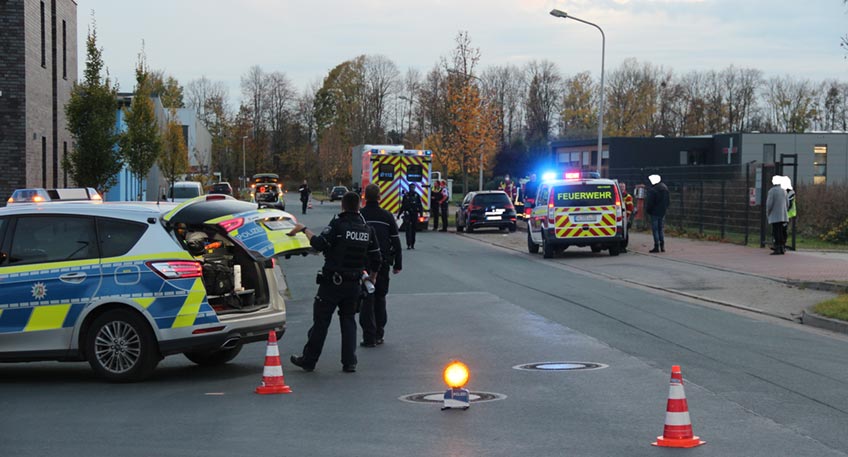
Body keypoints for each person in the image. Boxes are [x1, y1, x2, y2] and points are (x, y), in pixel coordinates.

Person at [287, 192, 382, 373]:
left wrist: (303, 229)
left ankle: (309, 360)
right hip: (354, 283)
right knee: (348, 321)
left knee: (321, 321)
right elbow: (377, 257)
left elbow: (319, 244)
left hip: (333, 283)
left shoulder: (338, 225)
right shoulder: (367, 229)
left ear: (343, 206)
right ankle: (349, 362)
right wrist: (373, 277)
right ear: (359, 206)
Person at [359, 184, 402, 347]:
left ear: (365, 197)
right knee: (380, 298)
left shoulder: (360, 216)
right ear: (379, 198)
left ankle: (368, 335)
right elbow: (396, 242)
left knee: (366, 299)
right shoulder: (387, 216)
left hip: (363, 263)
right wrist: (398, 263)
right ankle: (379, 333)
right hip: (383, 262)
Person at [645, 174, 670, 253]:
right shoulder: (665, 189)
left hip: (654, 212)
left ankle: (656, 246)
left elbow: (650, 202)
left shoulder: (653, 190)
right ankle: (662, 246)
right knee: (660, 229)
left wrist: (648, 210)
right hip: (662, 211)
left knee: (655, 229)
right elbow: (668, 201)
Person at [767, 175, 789, 255]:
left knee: (776, 231)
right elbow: (787, 203)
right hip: (783, 215)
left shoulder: (772, 191)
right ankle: (782, 247)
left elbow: (769, 204)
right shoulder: (784, 191)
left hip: (775, 215)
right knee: (782, 231)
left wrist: (768, 213)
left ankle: (777, 248)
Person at [780, 176, 796, 251]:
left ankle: (783, 244)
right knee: (780, 229)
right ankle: (780, 244)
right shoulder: (783, 191)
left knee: (783, 229)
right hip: (782, 214)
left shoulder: (790, 192)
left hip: (788, 214)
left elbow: (788, 204)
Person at [620, 183, 634, 253]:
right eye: (621, 186)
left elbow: (630, 207)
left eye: (623, 186)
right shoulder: (618, 195)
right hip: (619, 217)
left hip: (625, 217)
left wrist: (627, 216)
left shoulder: (627, 196)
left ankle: (623, 247)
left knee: (625, 233)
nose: (622, 188)